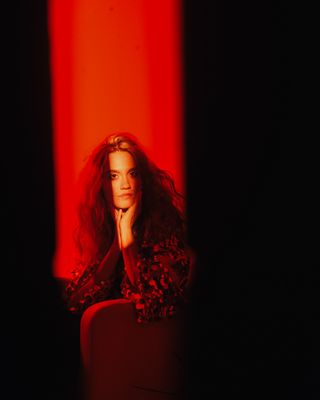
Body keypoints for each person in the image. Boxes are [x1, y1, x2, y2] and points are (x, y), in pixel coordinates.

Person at [63, 132, 194, 323]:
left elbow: (150, 303)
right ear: (101, 185)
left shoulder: (164, 227)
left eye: (132, 174)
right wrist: (117, 244)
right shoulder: (102, 228)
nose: (125, 185)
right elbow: (75, 303)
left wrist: (127, 235)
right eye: (114, 176)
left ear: (142, 180)